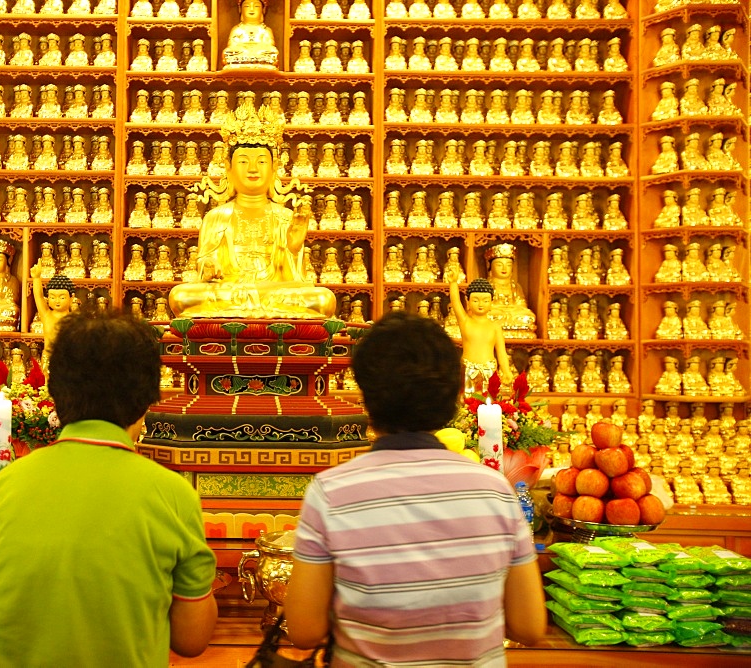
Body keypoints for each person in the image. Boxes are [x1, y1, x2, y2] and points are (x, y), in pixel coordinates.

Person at [285, 313, 547, 665]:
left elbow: (303, 630)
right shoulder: (494, 490)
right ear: (454, 394)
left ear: (366, 395)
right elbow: (529, 627)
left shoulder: (332, 492)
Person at [0, 312, 218, 666]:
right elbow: (192, 640)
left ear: (54, 390)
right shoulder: (172, 494)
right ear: (148, 397)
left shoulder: (4, 485)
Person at [167, 99, 336, 318]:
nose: (253, 169)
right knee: (181, 296)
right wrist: (208, 266)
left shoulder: (285, 217)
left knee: (323, 300)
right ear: (228, 167)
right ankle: (260, 312)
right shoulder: (216, 216)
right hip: (229, 292)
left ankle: (242, 313)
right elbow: (205, 268)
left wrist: (293, 249)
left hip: (273, 291)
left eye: (262, 162)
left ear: (275, 167)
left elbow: (295, 280)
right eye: (244, 161)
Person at [449, 275, 513, 395]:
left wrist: (506, 370)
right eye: (475, 300)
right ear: (468, 302)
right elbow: (456, 302)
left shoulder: (495, 326)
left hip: (489, 369)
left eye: (485, 300)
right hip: (468, 368)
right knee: (466, 401)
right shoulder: (465, 321)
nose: (480, 304)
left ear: (491, 302)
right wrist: (453, 283)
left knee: (489, 402)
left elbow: (501, 352)